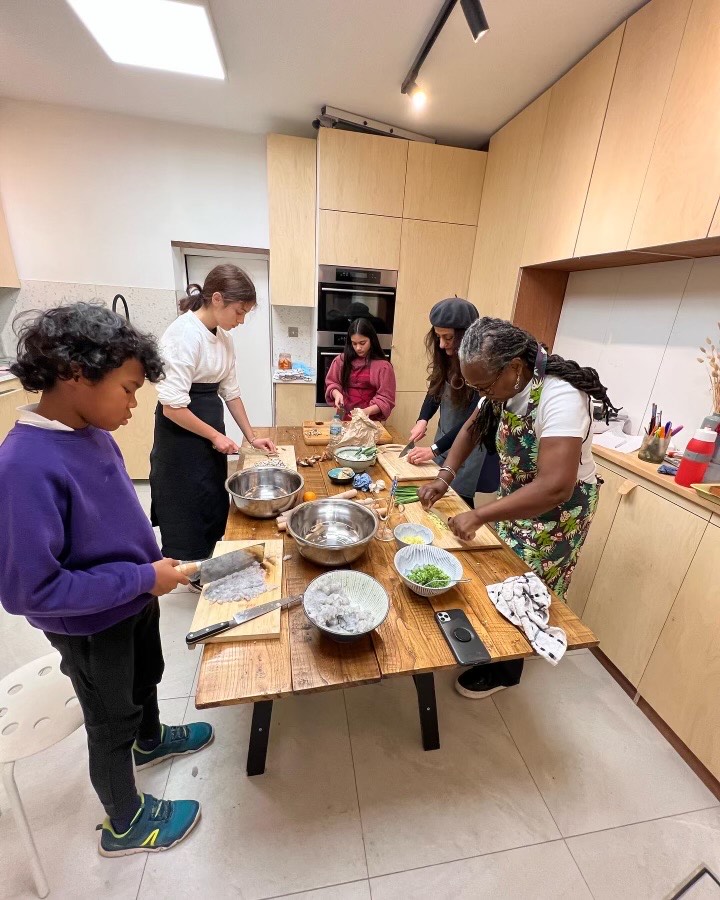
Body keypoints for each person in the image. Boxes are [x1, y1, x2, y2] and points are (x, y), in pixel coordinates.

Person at [0, 303, 213, 855]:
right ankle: (126, 822)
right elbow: (31, 590)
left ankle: (151, 740)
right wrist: (141, 579)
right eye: (128, 388)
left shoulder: (88, 430)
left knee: (147, 677)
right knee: (109, 717)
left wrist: (147, 579)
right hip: (90, 624)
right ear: (75, 375)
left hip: (133, 597)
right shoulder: (23, 465)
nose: (134, 403)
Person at [420, 317, 618, 699]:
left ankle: (506, 672)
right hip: (519, 499)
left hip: (559, 513)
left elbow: (556, 485)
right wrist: (444, 477)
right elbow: (472, 428)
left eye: (483, 385)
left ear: (514, 368)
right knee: (502, 574)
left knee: (529, 586)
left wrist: (479, 513)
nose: (482, 393)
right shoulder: (503, 384)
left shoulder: (560, 396)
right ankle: (495, 651)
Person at [150, 264, 275, 576]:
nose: (242, 320)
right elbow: (172, 408)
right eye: (239, 311)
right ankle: (189, 573)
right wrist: (216, 436)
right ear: (217, 299)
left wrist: (251, 436)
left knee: (211, 497)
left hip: (207, 433)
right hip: (180, 438)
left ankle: (210, 564)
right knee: (187, 504)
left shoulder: (223, 338)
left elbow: (231, 392)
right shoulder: (182, 335)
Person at [405, 297, 499, 506]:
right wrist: (423, 419)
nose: (441, 344)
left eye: (448, 338)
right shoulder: (446, 356)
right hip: (445, 437)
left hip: (471, 445)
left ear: (466, 336)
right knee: (439, 494)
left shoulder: (480, 365)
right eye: (438, 337)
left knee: (458, 501)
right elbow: (435, 389)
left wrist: (435, 449)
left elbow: (472, 421)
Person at [324, 317, 396, 421]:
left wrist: (365, 412)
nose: (358, 348)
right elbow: (332, 383)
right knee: (338, 436)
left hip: (368, 419)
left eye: (362, 343)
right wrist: (336, 393)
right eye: (354, 343)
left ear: (372, 340)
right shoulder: (340, 361)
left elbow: (386, 398)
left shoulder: (383, 367)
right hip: (342, 415)